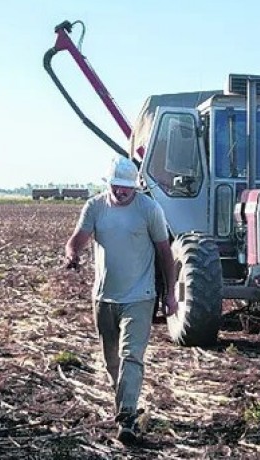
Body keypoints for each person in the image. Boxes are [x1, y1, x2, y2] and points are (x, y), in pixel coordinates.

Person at [64, 155, 178, 445]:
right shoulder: (95, 206)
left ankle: (127, 418)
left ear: (136, 187)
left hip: (140, 296)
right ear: (110, 184)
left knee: (131, 356)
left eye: (127, 187)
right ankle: (125, 405)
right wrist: (72, 253)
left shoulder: (149, 209)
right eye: (117, 185)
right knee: (111, 361)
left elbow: (165, 252)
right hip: (104, 297)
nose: (122, 191)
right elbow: (78, 238)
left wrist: (170, 294)